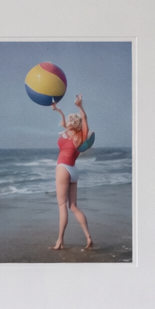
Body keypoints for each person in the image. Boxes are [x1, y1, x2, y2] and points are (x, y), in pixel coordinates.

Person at [49, 94, 95, 251]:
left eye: (69, 120)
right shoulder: (80, 137)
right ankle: (88, 237)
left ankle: (60, 241)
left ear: (71, 123)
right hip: (74, 171)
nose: (66, 122)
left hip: (63, 168)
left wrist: (79, 106)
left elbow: (71, 122)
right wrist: (60, 110)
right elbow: (82, 119)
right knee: (73, 206)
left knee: (62, 206)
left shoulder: (68, 133)